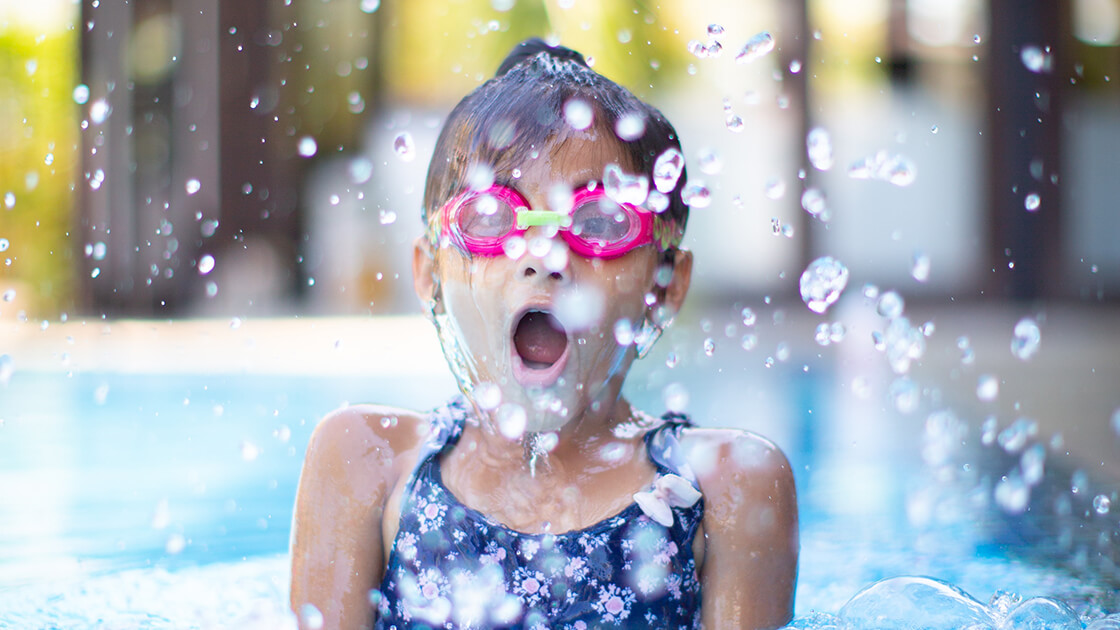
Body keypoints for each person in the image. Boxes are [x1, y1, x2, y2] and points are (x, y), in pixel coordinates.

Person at [290, 38, 798, 630]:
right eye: (493, 218)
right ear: (430, 270)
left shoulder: (726, 488)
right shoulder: (368, 461)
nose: (544, 257)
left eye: (601, 222)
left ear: (665, 284)